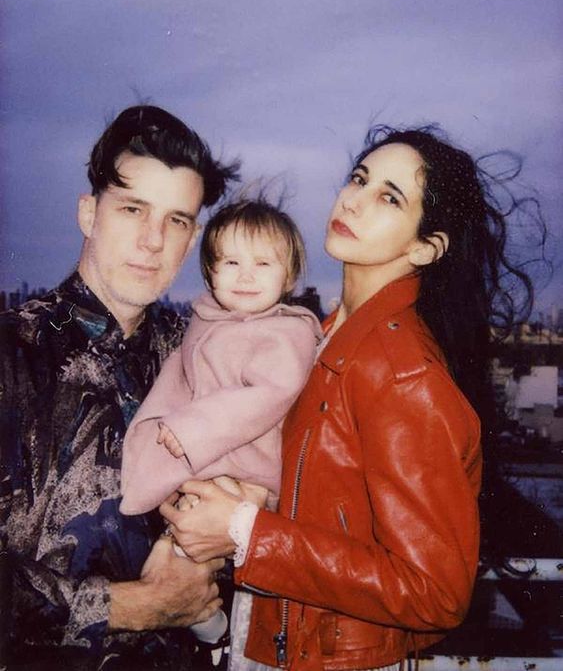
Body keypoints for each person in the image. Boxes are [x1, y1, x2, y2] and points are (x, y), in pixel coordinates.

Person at [159, 126, 534, 670]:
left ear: (426, 246)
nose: (353, 200)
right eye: (359, 179)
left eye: (389, 197)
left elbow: (436, 591)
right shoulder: (323, 335)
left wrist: (245, 531)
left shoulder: (401, 374)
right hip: (280, 635)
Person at [0, 104, 239, 671]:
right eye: (133, 209)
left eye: (176, 220)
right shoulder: (14, 355)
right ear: (89, 213)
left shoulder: (206, 357)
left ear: (193, 239)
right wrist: (133, 606)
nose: (153, 240)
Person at [119, 198, 322, 663]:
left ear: (289, 277)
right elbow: (181, 376)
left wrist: (190, 427)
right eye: (231, 262)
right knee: (177, 535)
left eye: (263, 264)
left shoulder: (286, 331)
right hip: (212, 453)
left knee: (191, 532)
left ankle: (204, 615)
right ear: (211, 273)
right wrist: (159, 423)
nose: (246, 276)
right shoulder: (207, 319)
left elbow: (270, 392)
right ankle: (203, 612)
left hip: (248, 461)